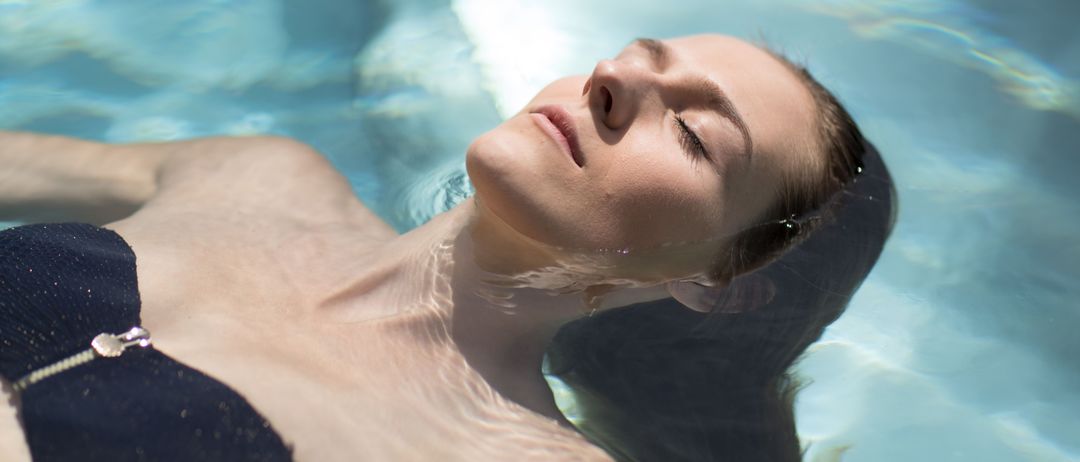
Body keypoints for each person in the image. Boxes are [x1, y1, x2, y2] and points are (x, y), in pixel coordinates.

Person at [0, 34, 895, 461]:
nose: (614, 82)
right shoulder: (262, 176)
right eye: (633, 59)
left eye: (696, 135)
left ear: (721, 282)